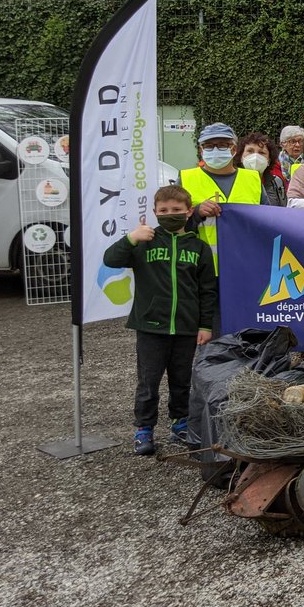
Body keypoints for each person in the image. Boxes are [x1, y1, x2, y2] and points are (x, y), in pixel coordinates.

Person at [102, 184, 216, 456]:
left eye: (176, 209)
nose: (169, 214)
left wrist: (205, 325)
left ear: (189, 211)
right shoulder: (146, 241)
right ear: (154, 212)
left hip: (186, 327)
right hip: (150, 326)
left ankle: (180, 423)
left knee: (181, 380)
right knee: (148, 382)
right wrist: (132, 238)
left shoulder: (199, 248)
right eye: (163, 210)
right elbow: (110, 259)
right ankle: (144, 429)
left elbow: (207, 290)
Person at [180, 123, 266, 273]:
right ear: (201, 150)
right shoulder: (185, 179)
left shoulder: (253, 179)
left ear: (234, 149)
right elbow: (173, 225)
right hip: (201, 270)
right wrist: (197, 213)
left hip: (245, 267)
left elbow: (267, 222)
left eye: (222, 145)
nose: (215, 150)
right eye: (208, 146)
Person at [236, 132, 287, 207]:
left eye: (261, 153)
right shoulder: (232, 181)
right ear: (241, 157)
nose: (255, 156)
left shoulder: (276, 182)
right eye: (250, 151)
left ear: (269, 160)